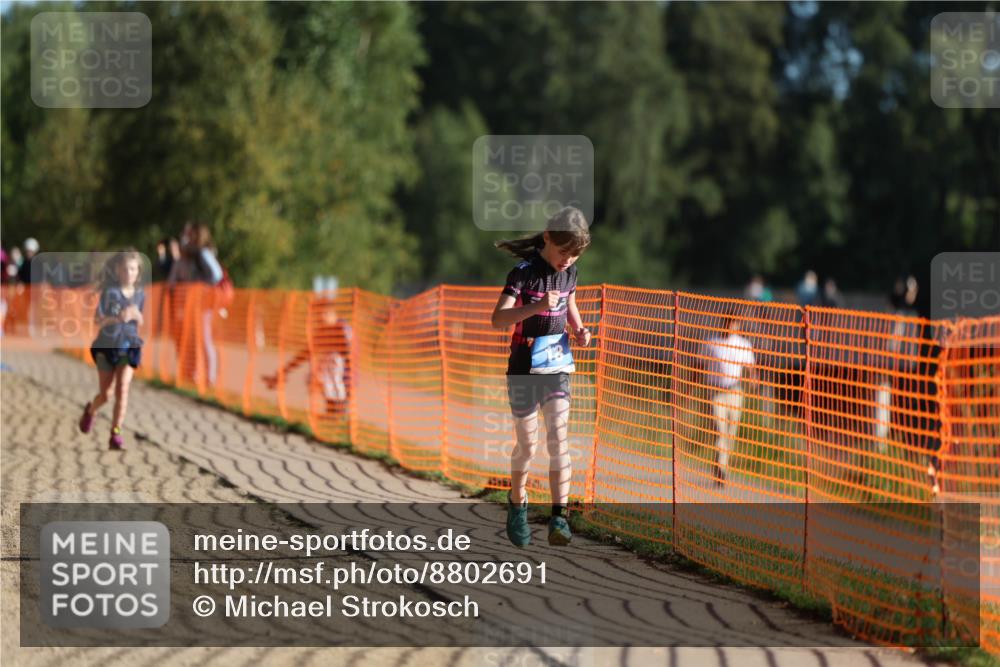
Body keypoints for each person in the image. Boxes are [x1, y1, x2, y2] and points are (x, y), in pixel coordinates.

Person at [491, 206, 591, 547]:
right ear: (548, 238)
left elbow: (570, 305)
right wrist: (536, 307)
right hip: (522, 368)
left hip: (558, 366)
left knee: (559, 437)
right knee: (528, 445)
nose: (568, 260)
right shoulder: (523, 274)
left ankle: (559, 518)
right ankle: (517, 504)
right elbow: (498, 319)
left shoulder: (570, 274)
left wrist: (579, 329)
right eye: (564, 252)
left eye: (575, 255)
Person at [78, 249, 145, 450]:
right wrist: (117, 318)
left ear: (138, 271)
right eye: (125, 269)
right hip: (107, 347)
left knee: (122, 389)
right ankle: (91, 410)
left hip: (129, 347)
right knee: (106, 394)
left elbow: (141, 321)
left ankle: (116, 433)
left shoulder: (141, 295)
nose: (129, 273)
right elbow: (97, 320)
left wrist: (136, 315)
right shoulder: (110, 293)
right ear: (117, 270)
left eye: (133, 269)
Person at [261, 295, 352, 419]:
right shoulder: (323, 332)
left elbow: (350, 358)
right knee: (314, 376)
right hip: (333, 374)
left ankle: (340, 409)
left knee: (329, 364)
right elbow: (305, 354)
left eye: (320, 315)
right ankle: (333, 411)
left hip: (346, 375)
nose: (318, 319)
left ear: (329, 312)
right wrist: (282, 372)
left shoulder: (342, 329)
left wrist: (348, 384)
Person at [700, 315, 756, 485]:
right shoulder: (711, 343)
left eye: (734, 323)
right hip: (716, 391)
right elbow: (699, 366)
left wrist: (754, 379)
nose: (731, 326)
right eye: (728, 323)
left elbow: (751, 367)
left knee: (731, 432)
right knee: (719, 430)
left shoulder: (743, 345)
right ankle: (721, 469)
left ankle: (722, 464)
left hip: (735, 391)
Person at [168, 223, 224, 385]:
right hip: (188, 304)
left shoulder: (203, 253)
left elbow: (216, 275)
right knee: (190, 339)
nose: (188, 238)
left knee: (204, 339)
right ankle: (192, 374)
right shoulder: (189, 255)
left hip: (202, 304)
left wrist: (198, 286)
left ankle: (210, 377)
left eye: (191, 235)